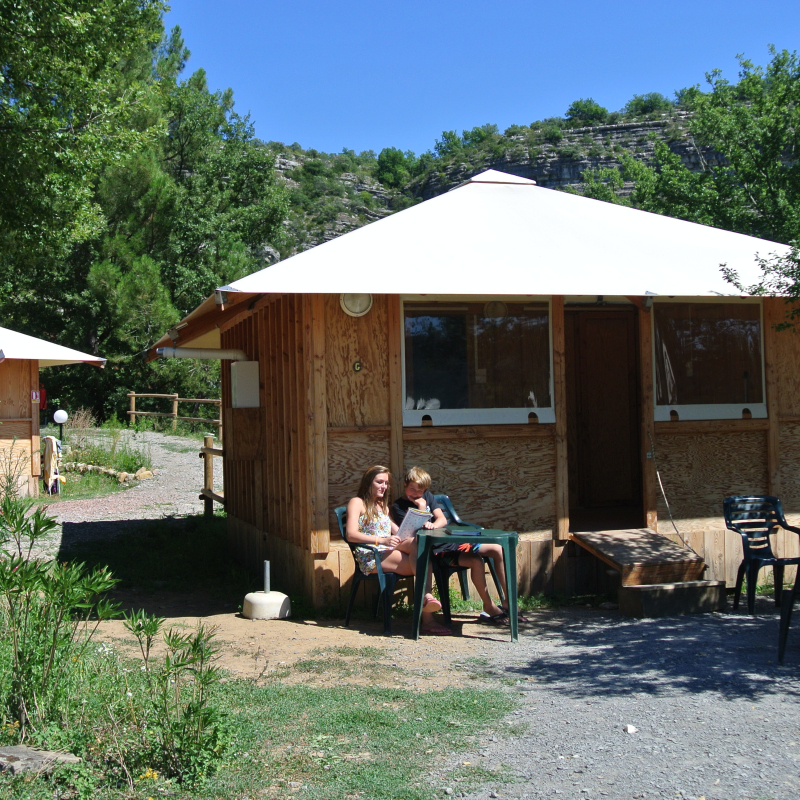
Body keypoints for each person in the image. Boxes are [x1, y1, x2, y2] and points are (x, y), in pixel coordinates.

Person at [391, 466, 516, 624]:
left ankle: (509, 602)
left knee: (497, 548)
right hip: (436, 552)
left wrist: (434, 525)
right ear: (404, 485)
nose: (416, 494)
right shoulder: (399, 506)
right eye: (412, 489)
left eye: (420, 490)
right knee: (476, 561)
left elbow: (442, 519)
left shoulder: (428, 496)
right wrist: (421, 508)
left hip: (449, 544)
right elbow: (411, 531)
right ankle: (489, 606)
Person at [345, 465, 451, 635]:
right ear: (368, 482)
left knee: (420, 549)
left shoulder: (382, 505)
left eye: (386, 483)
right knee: (425, 562)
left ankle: (426, 601)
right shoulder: (357, 502)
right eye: (379, 482)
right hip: (371, 554)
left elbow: (397, 531)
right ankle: (427, 614)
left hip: (387, 548)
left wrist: (416, 520)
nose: (384, 486)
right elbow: (351, 534)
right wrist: (381, 540)